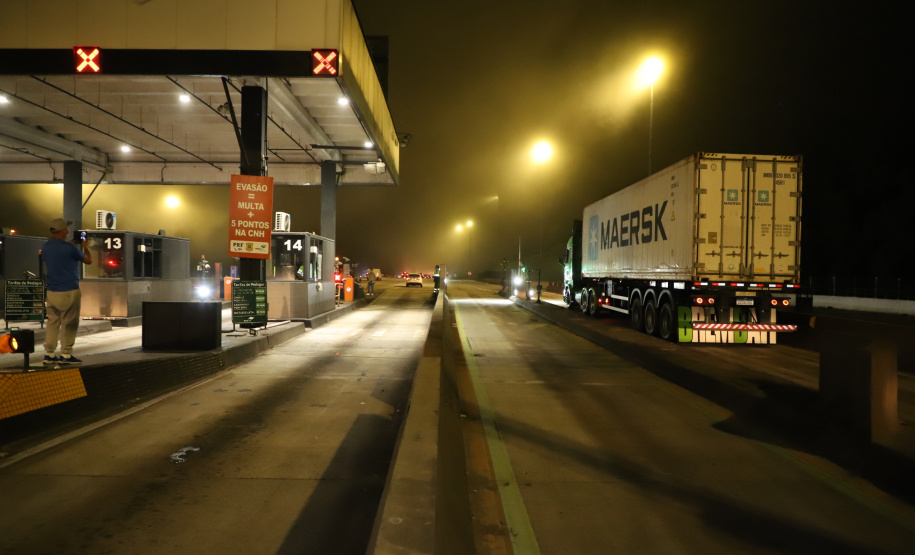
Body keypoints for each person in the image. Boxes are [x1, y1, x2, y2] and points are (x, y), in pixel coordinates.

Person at [41, 218, 92, 365]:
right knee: (70, 323)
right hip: (69, 291)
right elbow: (88, 261)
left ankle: (49, 353)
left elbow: (59, 252)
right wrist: (85, 247)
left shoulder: (46, 247)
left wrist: (70, 244)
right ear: (63, 231)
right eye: (66, 229)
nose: (68, 231)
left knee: (53, 322)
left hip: (52, 291)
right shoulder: (70, 249)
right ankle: (66, 354)